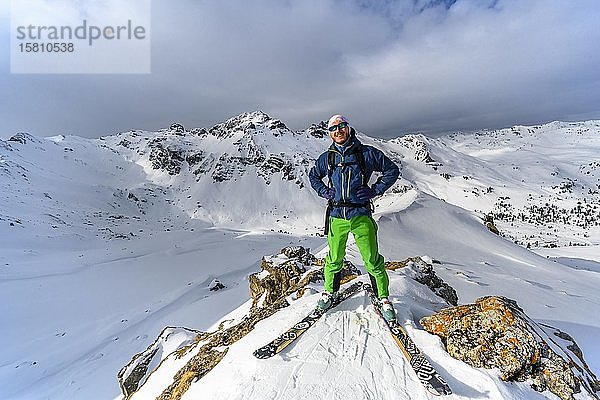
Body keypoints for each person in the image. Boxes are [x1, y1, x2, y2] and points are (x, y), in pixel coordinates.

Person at [309, 114, 400, 321]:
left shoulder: (365, 153)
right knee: (333, 259)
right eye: (333, 128)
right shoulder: (328, 158)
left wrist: (375, 190)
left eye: (341, 126)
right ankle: (329, 293)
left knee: (371, 259)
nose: (338, 131)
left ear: (348, 128)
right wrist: (323, 190)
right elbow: (313, 175)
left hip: (360, 215)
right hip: (336, 216)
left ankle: (383, 298)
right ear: (329, 133)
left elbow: (392, 170)